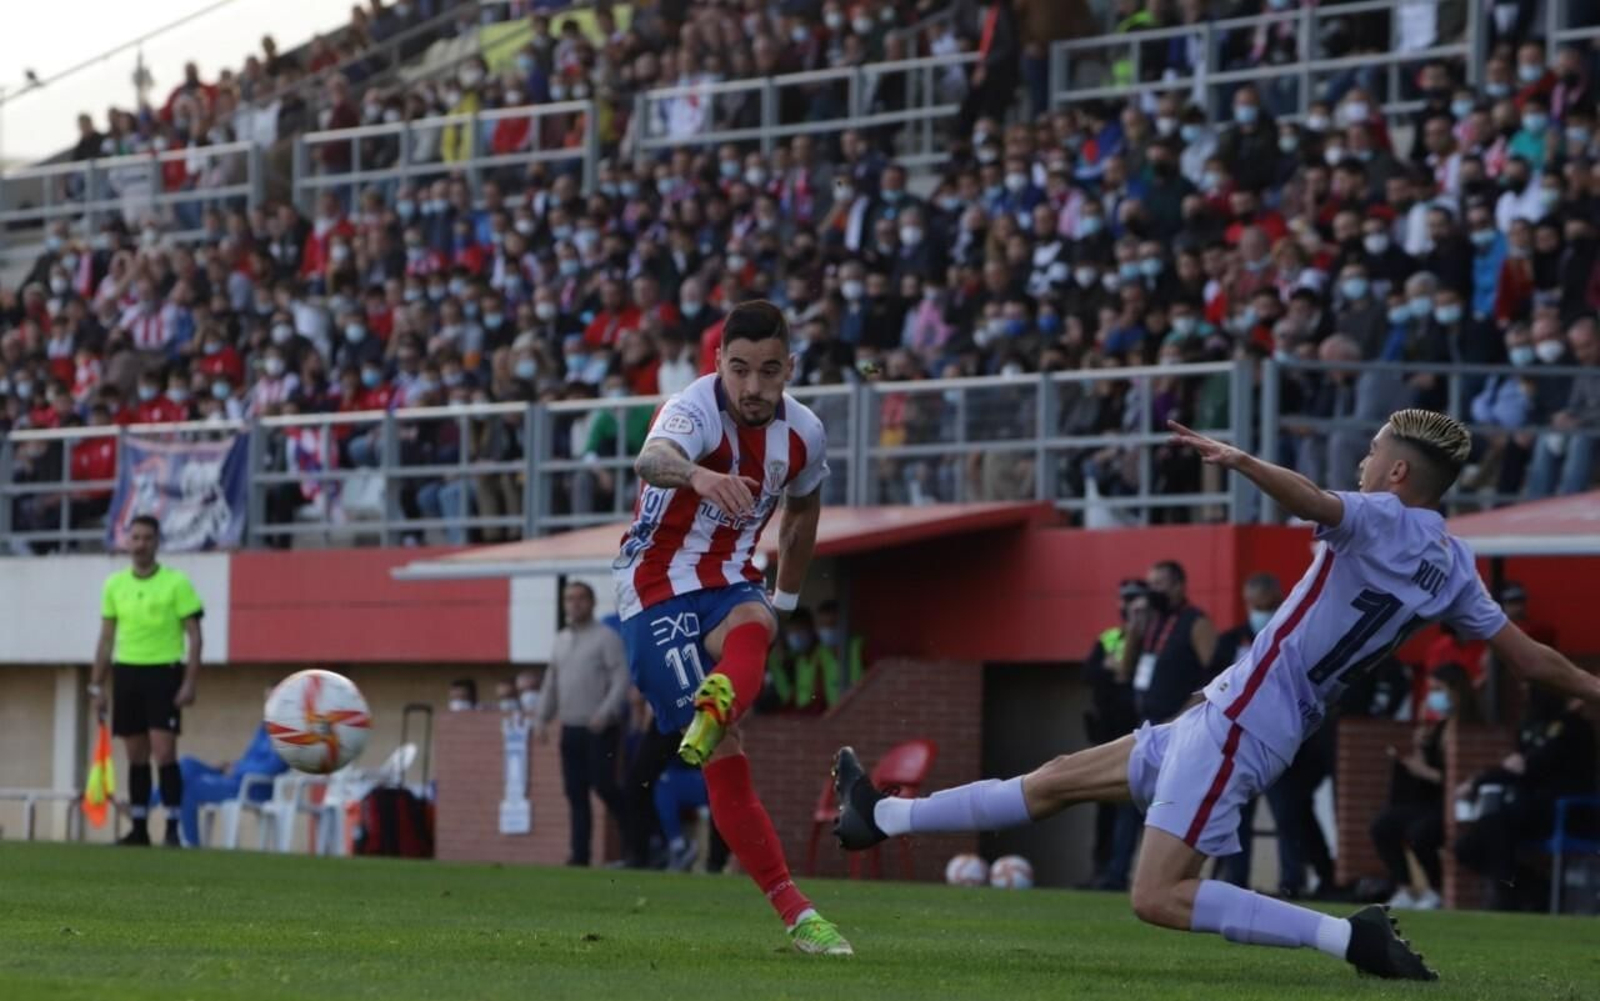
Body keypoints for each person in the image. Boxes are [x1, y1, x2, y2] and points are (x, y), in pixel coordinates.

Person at [832, 409, 1600, 980]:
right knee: (1060, 777)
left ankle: (1349, 938)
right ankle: (882, 815)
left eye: (1372, 454)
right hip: (1238, 708)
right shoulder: (1455, 566)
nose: (1363, 465)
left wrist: (1243, 461)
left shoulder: (1381, 516)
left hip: (1242, 719)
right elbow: (1532, 660)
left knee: (1157, 895)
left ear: (1400, 474)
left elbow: (1314, 501)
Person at [615, 299, 848, 955]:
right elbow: (651, 458)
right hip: (654, 586)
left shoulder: (803, 432)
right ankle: (791, 903)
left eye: (769, 371)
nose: (754, 386)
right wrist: (700, 475)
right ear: (718, 363)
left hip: (729, 577)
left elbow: (802, 516)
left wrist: (789, 604)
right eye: (740, 368)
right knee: (723, 747)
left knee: (755, 622)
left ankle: (802, 917)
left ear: (789, 367)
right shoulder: (690, 407)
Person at [89, 515, 204, 847]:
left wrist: (189, 681)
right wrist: (97, 686)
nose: (140, 544)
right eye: (135, 537)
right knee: (135, 753)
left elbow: (195, 637)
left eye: (147, 538)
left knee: (164, 751)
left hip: (164, 671)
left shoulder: (176, 583)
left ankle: (172, 825)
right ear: (127, 541)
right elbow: (106, 639)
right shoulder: (114, 585)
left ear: (157, 542)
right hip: (127, 671)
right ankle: (138, 826)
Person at [1453, 686, 1598, 911]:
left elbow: (1531, 766)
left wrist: (1480, 781)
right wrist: (1482, 780)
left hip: (1563, 810)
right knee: (1467, 847)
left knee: (1495, 824)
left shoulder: (1572, 727)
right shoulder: (1531, 725)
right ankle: (1537, 888)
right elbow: (1516, 767)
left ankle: (1504, 898)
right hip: (1527, 805)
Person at [1369, 663, 1480, 911]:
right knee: (1383, 824)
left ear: (1455, 691)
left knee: (1421, 834)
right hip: (1428, 803)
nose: (1433, 697)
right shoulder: (1438, 727)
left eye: (1438, 689)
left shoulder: (1467, 728)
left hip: (1449, 806)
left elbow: (1452, 777)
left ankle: (1435, 889)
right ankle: (1406, 888)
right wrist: (1418, 747)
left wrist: (1426, 772)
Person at [536, 581, 631, 868]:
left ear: (591, 603)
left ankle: (637, 843)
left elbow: (621, 678)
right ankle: (579, 856)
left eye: (580, 599)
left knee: (605, 786)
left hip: (600, 727)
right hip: (571, 727)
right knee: (575, 793)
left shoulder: (606, 637)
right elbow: (551, 682)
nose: (574, 604)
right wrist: (541, 718)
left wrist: (606, 712)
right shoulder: (561, 640)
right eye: (569, 599)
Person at [1210, 573, 1284, 888]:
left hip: (1281, 739)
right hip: (1238, 740)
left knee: (1288, 816)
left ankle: (1293, 880)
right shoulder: (1231, 640)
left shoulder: (1289, 638)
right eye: (1255, 604)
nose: (1259, 610)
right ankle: (1233, 880)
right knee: (1236, 816)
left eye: (1265, 604)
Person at [174, 706, 290, 848]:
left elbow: (273, 768)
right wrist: (233, 766)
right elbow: (249, 758)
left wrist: (238, 769)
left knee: (188, 788)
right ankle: (153, 797)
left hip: (252, 788)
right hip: (236, 779)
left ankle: (191, 844)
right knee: (187, 764)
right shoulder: (264, 728)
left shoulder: (287, 735)